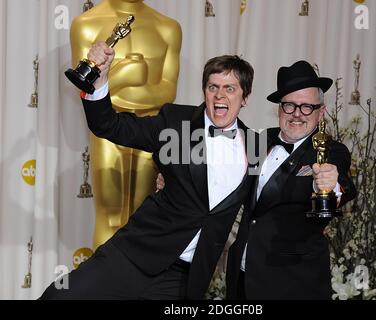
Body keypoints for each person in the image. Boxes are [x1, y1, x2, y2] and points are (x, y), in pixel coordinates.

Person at [40, 50, 259, 299]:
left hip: (186, 277)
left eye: (230, 88)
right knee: (59, 296)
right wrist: (98, 80)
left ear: (245, 97)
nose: (220, 95)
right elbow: (110, 125)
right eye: (213, 87)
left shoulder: (257, 146)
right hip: (134, 254)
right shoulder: (175, 122)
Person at [225, 60, 357, 300]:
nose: (297, 114)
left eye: (306, 107)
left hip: (293, 284)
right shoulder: (260, 140)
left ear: (321, 111)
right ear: (279, 109)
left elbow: (344, 185)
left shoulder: (331, 151)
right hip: (242, 276)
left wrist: (330, 187)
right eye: (289, 106)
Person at [69, 0, 182, 249]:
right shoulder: (85, 25)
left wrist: (113, 83)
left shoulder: (168, 28)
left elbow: (167, 90)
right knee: (110, 214)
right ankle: (101, 286)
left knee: (144, 215)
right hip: (108, 132)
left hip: (150, 132)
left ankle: (136, 286)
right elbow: (84, 85)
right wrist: (128, 72)